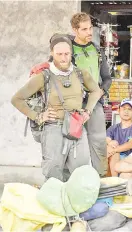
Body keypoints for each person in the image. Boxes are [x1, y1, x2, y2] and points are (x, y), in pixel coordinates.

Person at [11, 34, 102, 181]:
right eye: (59, 54)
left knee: (81, 172)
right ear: (52, 53)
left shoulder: (80, 73)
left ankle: (76, 203)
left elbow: (96, 91)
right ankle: (55, 202)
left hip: (76, 126)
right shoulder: (43, 76)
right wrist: (38, 116)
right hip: (53, 128)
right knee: (53, 173)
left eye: (66, 54)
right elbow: (17, 99)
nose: (63, 58)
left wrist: (88, 111)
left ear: (71, 53)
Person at [70, 12, 112, 177]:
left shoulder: (96, 49)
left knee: (99, 144)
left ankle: (100, 180)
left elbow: (107, 78)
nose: (89, 32)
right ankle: (75, 182)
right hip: (75, 106)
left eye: (90, 28)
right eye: (84, 29)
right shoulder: (68, 51)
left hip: (95, 105)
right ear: (75, 30)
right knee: (73, 146)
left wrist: (101, 91)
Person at [106, 99, 132, 177]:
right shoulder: (113, 128)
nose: (126, 112)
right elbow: (107, 140)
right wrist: (110, 144)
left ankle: (115, 181)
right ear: (119, 111)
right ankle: (115, 181)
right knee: (112, 144)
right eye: (124, 109)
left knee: (114, 150)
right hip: (114, 160)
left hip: (130, 160)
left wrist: (113, 149)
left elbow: (131, 144)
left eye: (129, 109)